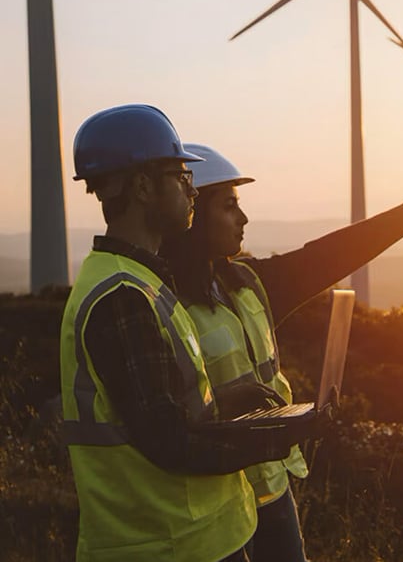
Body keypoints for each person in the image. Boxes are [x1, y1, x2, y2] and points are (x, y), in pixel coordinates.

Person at [161, 143, 403, 562]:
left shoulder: (250, 285)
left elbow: (333, 254)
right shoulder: (163, 305)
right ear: (193, 215)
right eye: (229, 206)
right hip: (212, 504)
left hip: (272, 490)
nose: (243, 217)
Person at [60, 105, 320, 562]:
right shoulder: (124, 298)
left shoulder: (141, 283)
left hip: (197, 538)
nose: (190, 190)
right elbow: (169, 443)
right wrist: (279, 434)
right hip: (169, 545)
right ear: (143, 187)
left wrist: (227, 403)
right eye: (181, 176)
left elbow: (163, 412)